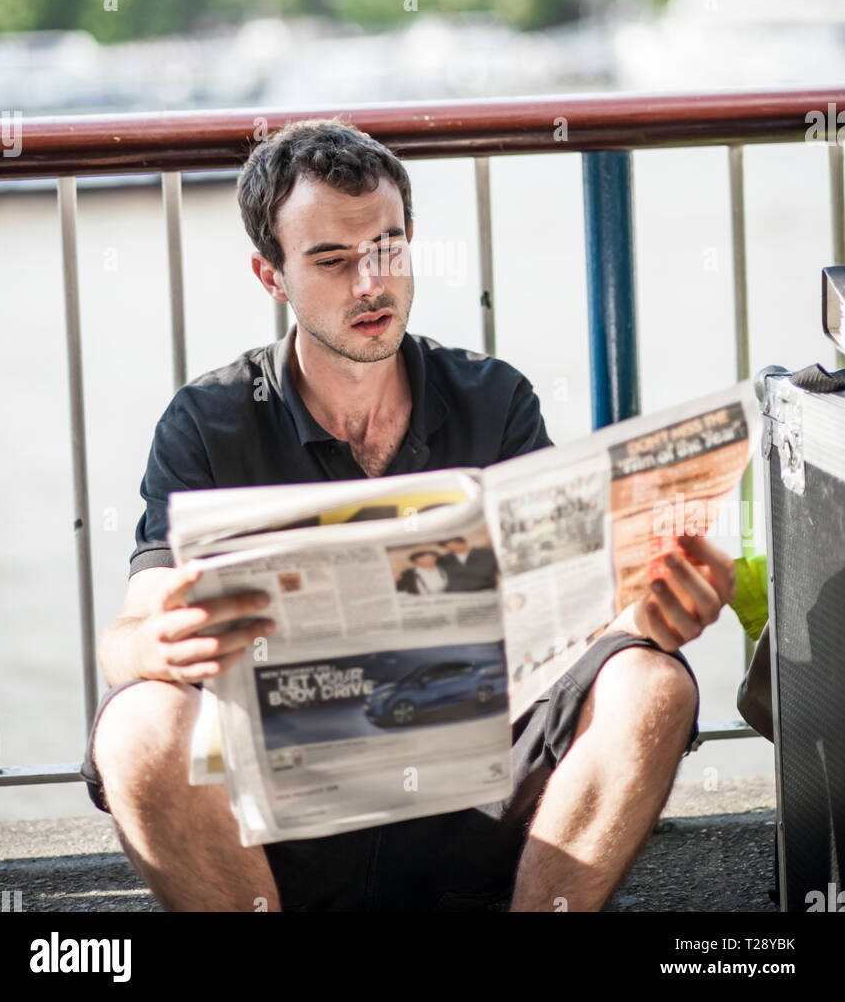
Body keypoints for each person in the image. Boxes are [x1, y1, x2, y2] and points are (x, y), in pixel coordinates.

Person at [83, 117, 735, 913]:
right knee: (137, 723)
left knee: (649, 681)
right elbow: (128, 639)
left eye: (387, 248)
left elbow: (577, 614)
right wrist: (153, 644)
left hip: (474, 779)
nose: (370, 283)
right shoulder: (208, 421)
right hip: (291, 807)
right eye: (331, 260)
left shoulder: (492, 399)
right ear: (271, 276)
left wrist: (650, 611)